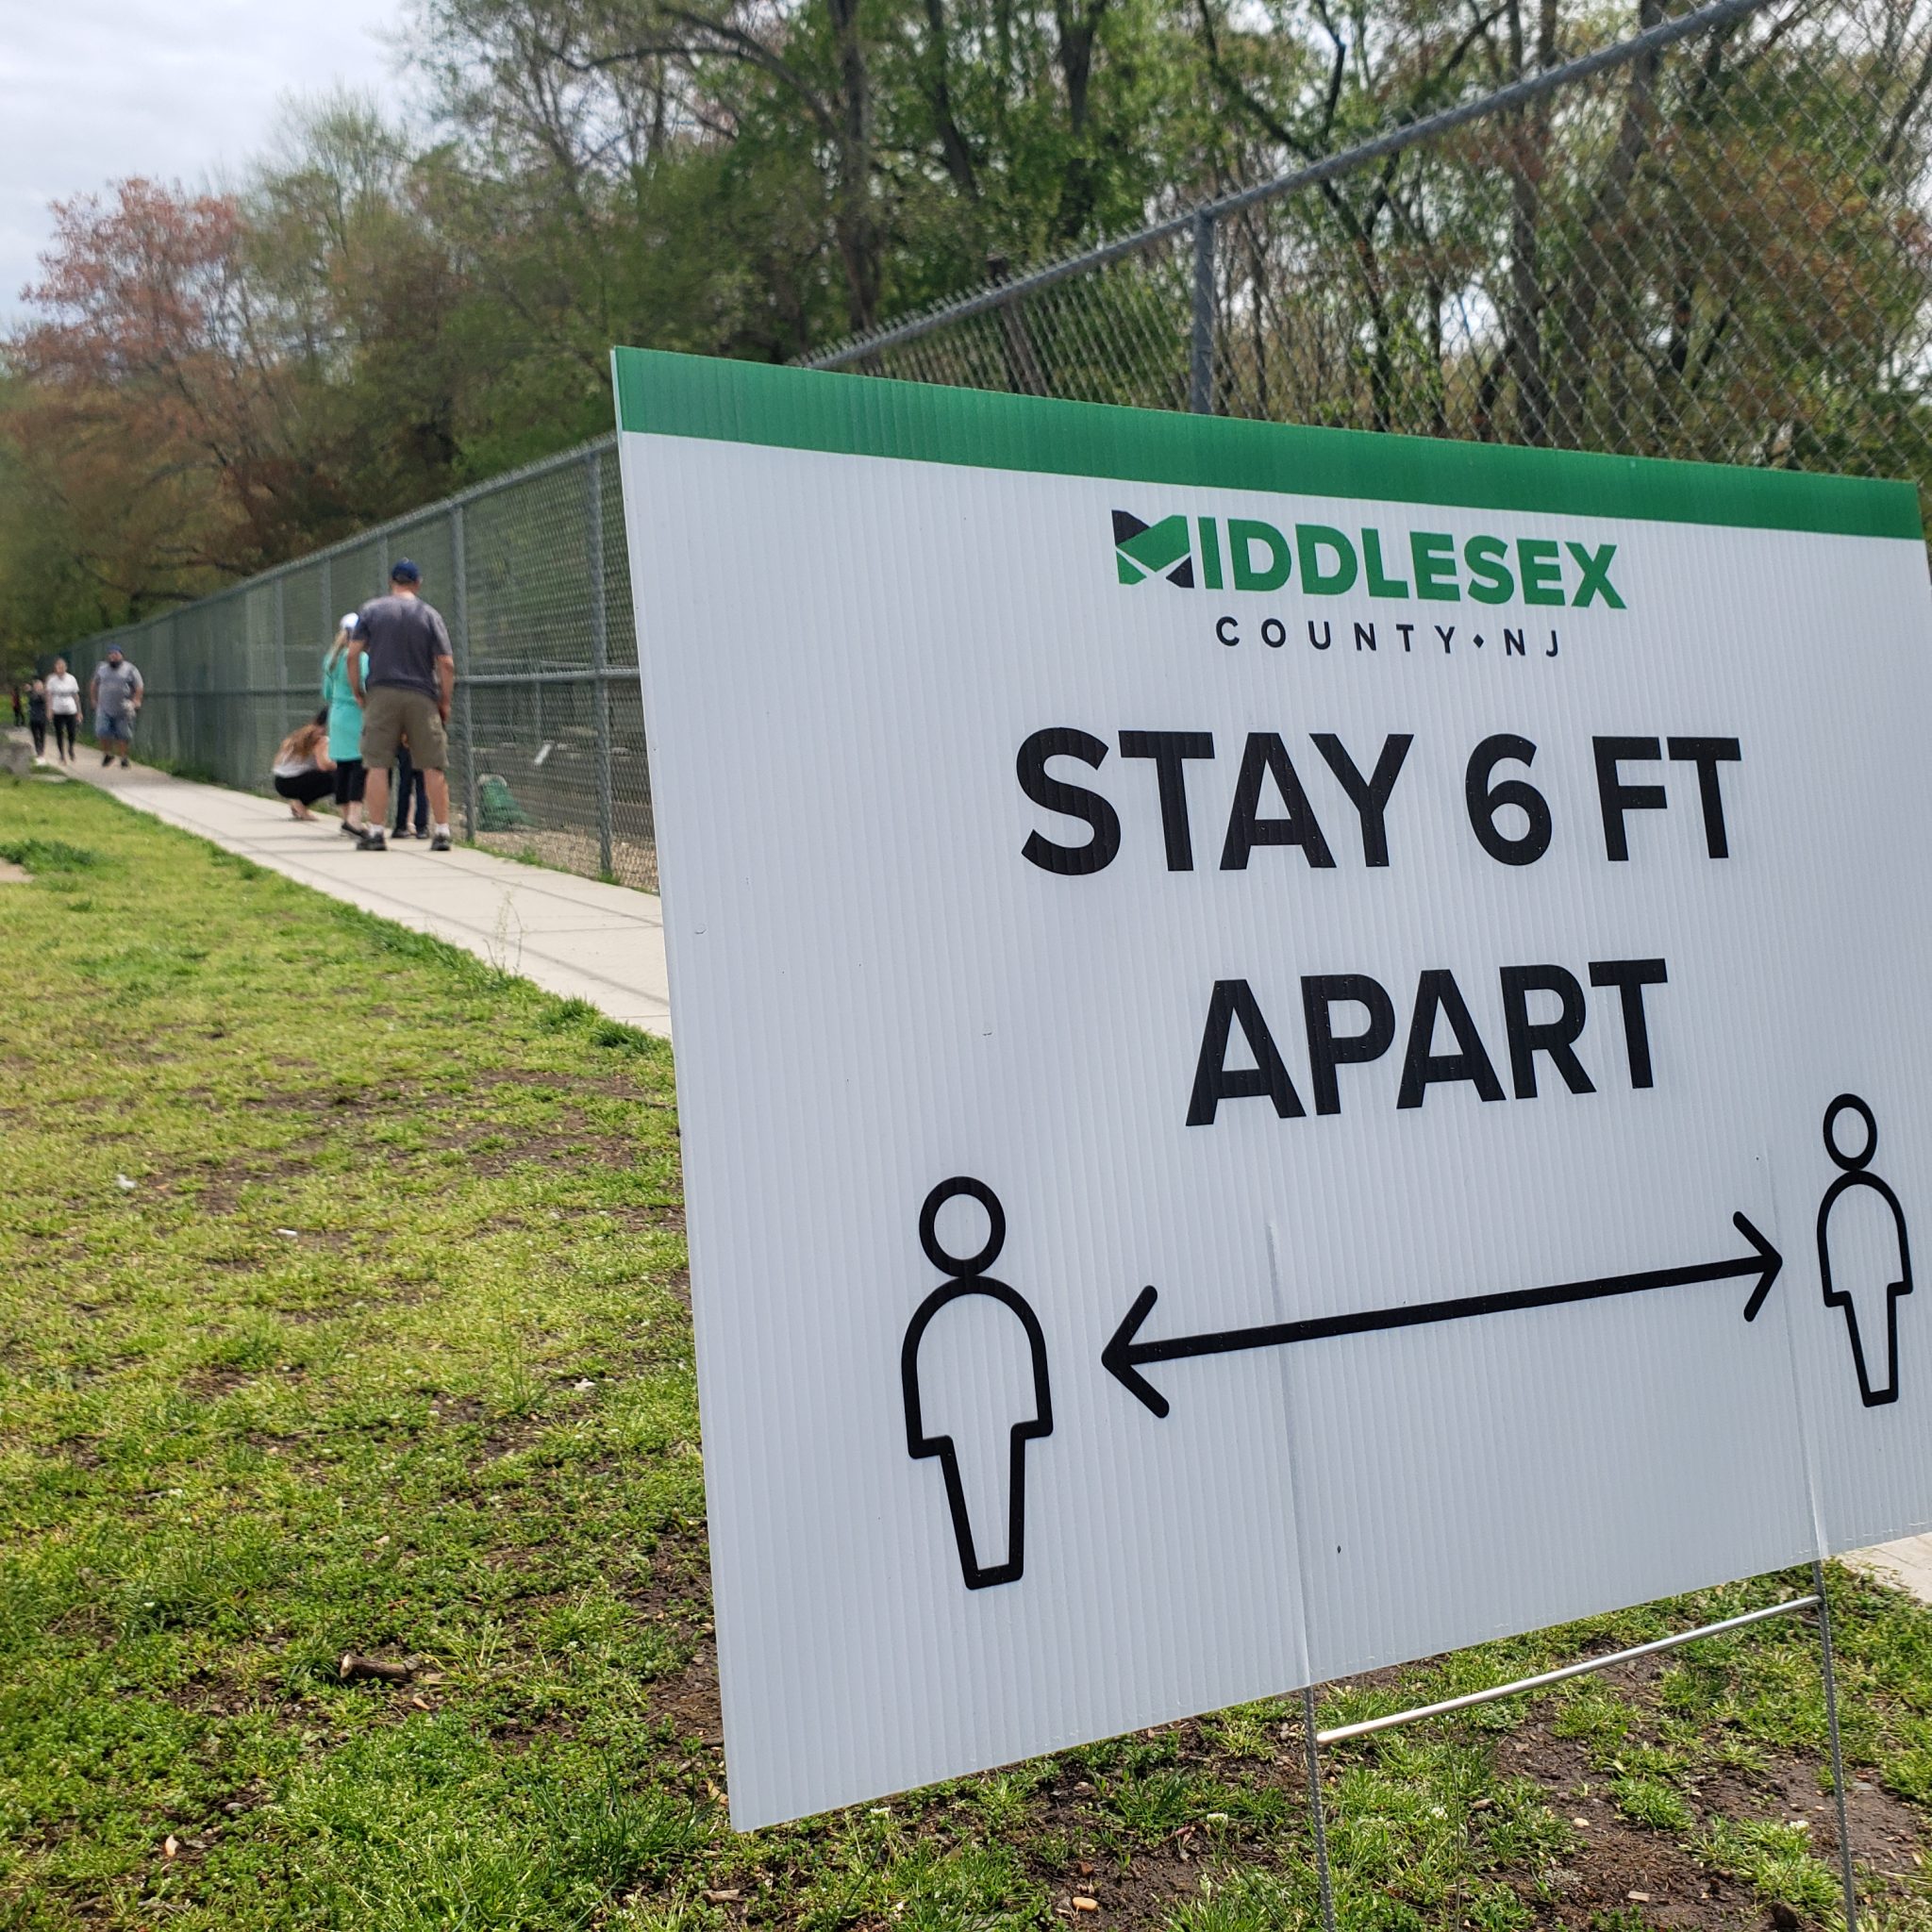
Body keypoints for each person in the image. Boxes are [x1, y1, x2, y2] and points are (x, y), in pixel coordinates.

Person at [349, 559, 455, 853]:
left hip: (381, 692)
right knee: (432, 764)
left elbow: (352, 654)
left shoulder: (371, 610)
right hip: (421, 694)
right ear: (418, 583)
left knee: (377, 764)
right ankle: (443, 831)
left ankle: (376, 832)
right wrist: (444, 700)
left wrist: (358, 691)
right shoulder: (429, 614)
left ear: (391, 582)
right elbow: (446, 663)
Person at [322, 614, 369, 838]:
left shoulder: (331, 659)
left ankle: (345, 817)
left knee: (342, 767)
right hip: (357, 715)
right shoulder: (362, 659)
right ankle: (355, 819)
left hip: (337, 716)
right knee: (359, 767)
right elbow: (367, 686)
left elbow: (326, 693)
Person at [272, 711, 336, 818]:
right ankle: (301, 804)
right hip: (291, 782)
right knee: (338, 777)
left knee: (332, 775)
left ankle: (298, 804)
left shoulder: (305, 732)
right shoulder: (321, 738)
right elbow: (324, 765)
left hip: (280, 781)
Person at [91, 643, 143, 767]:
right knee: (102, 731)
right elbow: (94, 684)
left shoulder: (130, 669)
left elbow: (139, 686)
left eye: (116, 654)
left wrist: (136, 700)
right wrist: (93, 699)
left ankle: (124, 757)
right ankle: (107, 754)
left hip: (123, 708)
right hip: (104, 707)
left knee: (123, 735)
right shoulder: (101, 668)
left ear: (121, 656)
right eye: (111, 654)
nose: (113, 657)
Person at [391, 729, 430, 840]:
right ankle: (421, 827)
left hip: (409, 741)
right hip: (422, 741)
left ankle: (401, 825)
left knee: (406, 785)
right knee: (420, 786)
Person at [45, 658, 79, 763]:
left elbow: (75, 695)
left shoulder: (71, 679)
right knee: (59, 733)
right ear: (55, 668)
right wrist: (49, 710)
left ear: (66, 667)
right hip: (57, 709)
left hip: (70, 709)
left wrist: (79, 711)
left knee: (72, 732)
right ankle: (61, 755)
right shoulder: (52, 680)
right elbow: (49, 696)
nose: (60, 668)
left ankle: (70, 748)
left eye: (62, 666)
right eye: (58, 666)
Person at [25, 678, 48, 760]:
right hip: (33, 718)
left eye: (39, 685)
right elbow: (31, 698)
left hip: (42, 718)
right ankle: (38, 751)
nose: (38, 687)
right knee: (35, 736)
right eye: (36, 686)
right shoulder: (32, 695)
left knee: (42, 735)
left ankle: (41, 751)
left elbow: (43, 699)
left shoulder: (44, 695)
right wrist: (30, 690)